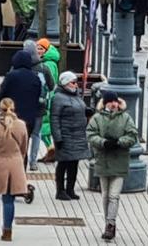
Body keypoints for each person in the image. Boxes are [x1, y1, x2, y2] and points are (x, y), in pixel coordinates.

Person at [87, 89, 140, 241]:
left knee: (114, 195)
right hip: (103, 161)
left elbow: (132, 135)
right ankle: (108, 223)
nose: (113, 104)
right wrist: (103, 142)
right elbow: (91, 134)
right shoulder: (97, 118)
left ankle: (110, 224)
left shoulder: (125, 118)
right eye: (110, 102)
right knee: (105, 196)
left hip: (119, 161)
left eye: (115, 101)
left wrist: (119, 143)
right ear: (105, 103)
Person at [0, 98, 29, 242]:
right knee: (9, 201)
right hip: (14, 165)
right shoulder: (21, 125)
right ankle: (7, 231)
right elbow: (24, 148)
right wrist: (18, 160)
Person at [50, 71, 89, 201]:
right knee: (63, 163)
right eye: (73, 82)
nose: (75, 85)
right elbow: (54, 118)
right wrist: (58, 138)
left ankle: (70, 189)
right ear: (65, 83)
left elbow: (81, 107)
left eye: (75, 82)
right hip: (66, 136)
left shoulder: (76, 95)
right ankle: (60, 190)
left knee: (74, 163)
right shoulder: (58, 98)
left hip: (78, 135)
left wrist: (87, 110)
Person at [0, 50, 43, 150]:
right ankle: (23, 164)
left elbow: (2, 93)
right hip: (29, 118)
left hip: (12, 116)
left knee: (10, 145)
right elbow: (38, 95)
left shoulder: (11, 76)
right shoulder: (35, 77)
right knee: (24, 146)